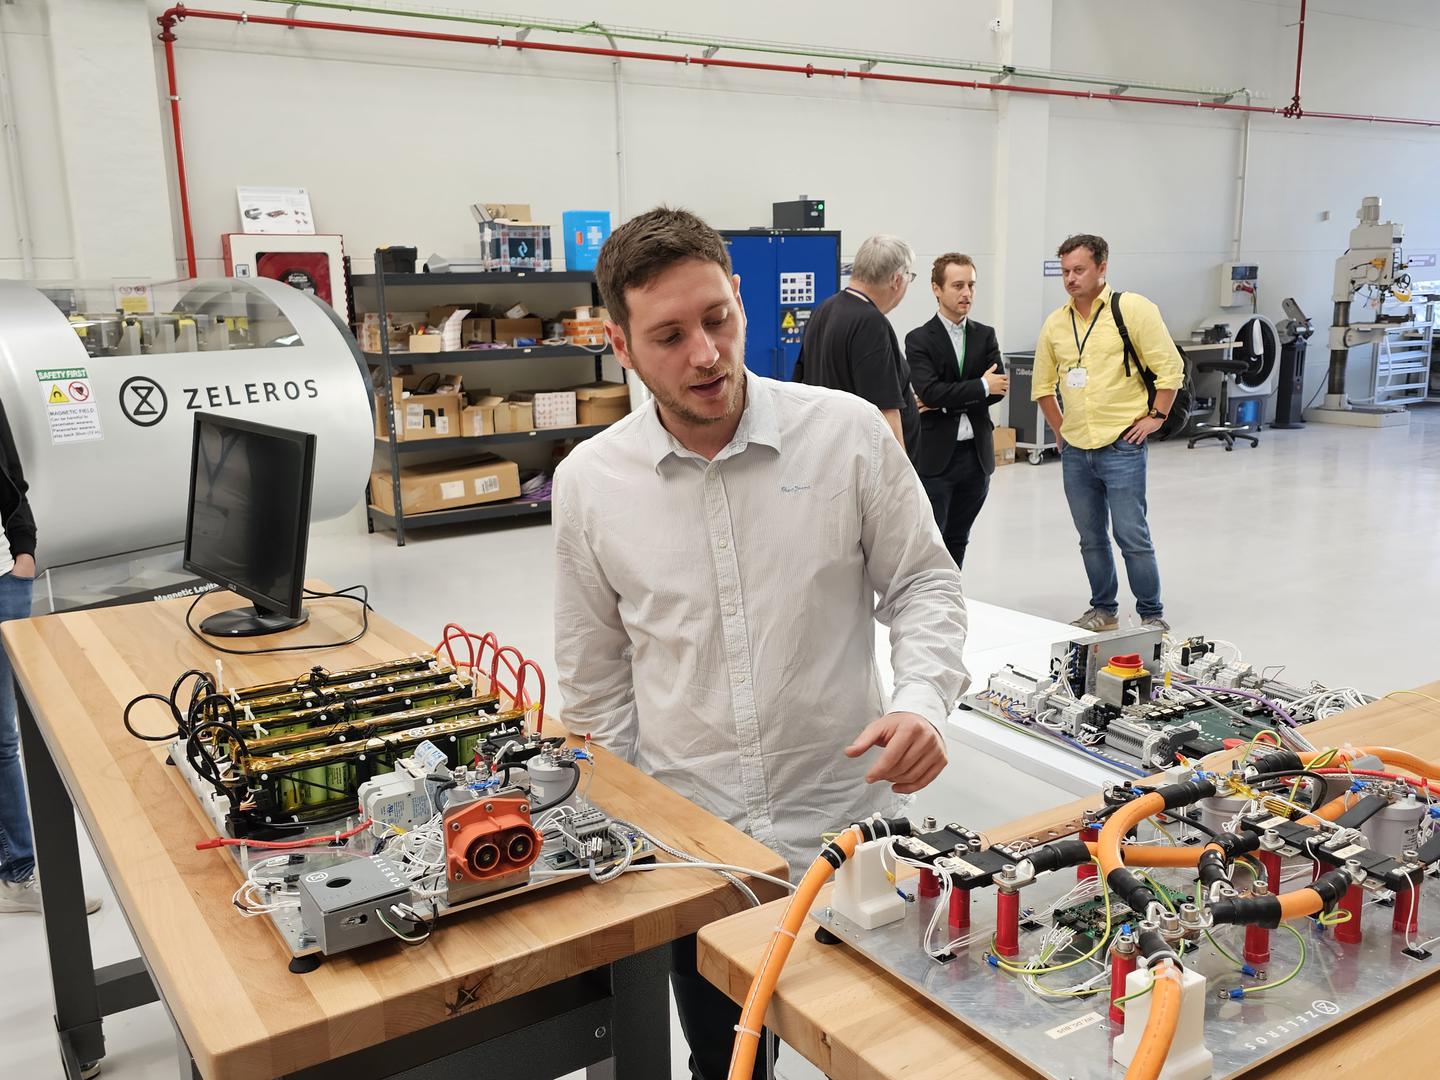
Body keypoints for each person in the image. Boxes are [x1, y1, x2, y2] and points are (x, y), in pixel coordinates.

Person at [553, 208, 967, 1080]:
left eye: (718, 318)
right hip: (698, 852)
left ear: (740, 300)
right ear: (620, 345)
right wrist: (629, 837)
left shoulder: (847, 434)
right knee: (728, 1063)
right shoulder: (590, 483)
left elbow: (924, 583)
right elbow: (594, 680)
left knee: (891, 1056)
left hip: (851, 828)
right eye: (669, 336)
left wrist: (923, 701)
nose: (705, 354)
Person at [1031, 233, 1183, 633]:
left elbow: (1170, 368)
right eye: (1065, 271)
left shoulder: (1132, 309)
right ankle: (1103, 609)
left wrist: (1157, 416)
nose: (1070, 279)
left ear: (1102, 267)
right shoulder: (1056, 323)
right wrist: (1060, 431)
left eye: (1079, 270)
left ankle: (1151, 613)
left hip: (1121, 445)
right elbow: (1042, 386)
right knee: (1090, 537)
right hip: (1076, 451)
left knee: (1132, 534)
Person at [0, 399, 100, 914]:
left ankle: (17, 875)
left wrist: (25, 550)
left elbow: (10, 473)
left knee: (4, 738)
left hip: (4, 579)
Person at [906, 253, 1008, 570]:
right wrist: (980, 386)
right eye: (958, 285)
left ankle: (951, 594)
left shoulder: (985, 335)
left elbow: (998, 391)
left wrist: (945, 399)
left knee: (959, 538)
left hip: (976, 458)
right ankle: (929, 596)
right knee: (931, 540)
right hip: (936, 459)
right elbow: (929, 391)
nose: (967, 293)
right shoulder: (919, 339)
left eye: (971, 286)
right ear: (936, 289)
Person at [792, 234, 922, 465]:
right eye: (908, 278)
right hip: (862, 464)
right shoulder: (871, 323)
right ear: (896, 279)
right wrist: (901, 477)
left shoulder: (824, 309)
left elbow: (801, 385)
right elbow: (885, 410)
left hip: (830, 455)